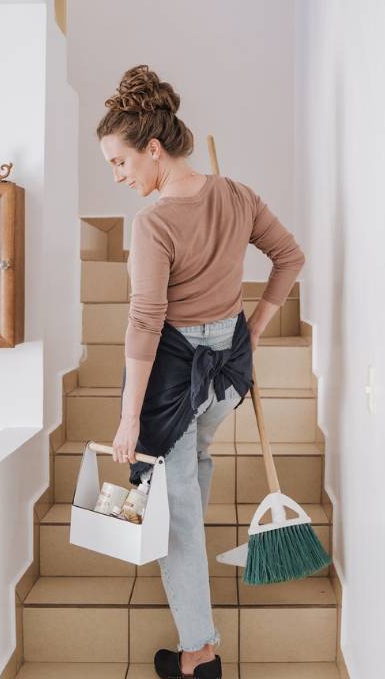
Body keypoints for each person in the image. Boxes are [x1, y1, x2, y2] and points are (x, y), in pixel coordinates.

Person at [96, 64, 305, 679]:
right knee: (192, 468)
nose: (118, 175)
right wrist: (254, 328)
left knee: (175, 509)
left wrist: (129, 416)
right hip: (227, 371)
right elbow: (290, 256)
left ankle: (199, 653)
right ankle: (192, 584)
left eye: (120, 162)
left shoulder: (155, 223)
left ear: (153, 149)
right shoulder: (237, 194)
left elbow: (146, 322)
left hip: (174, 378)